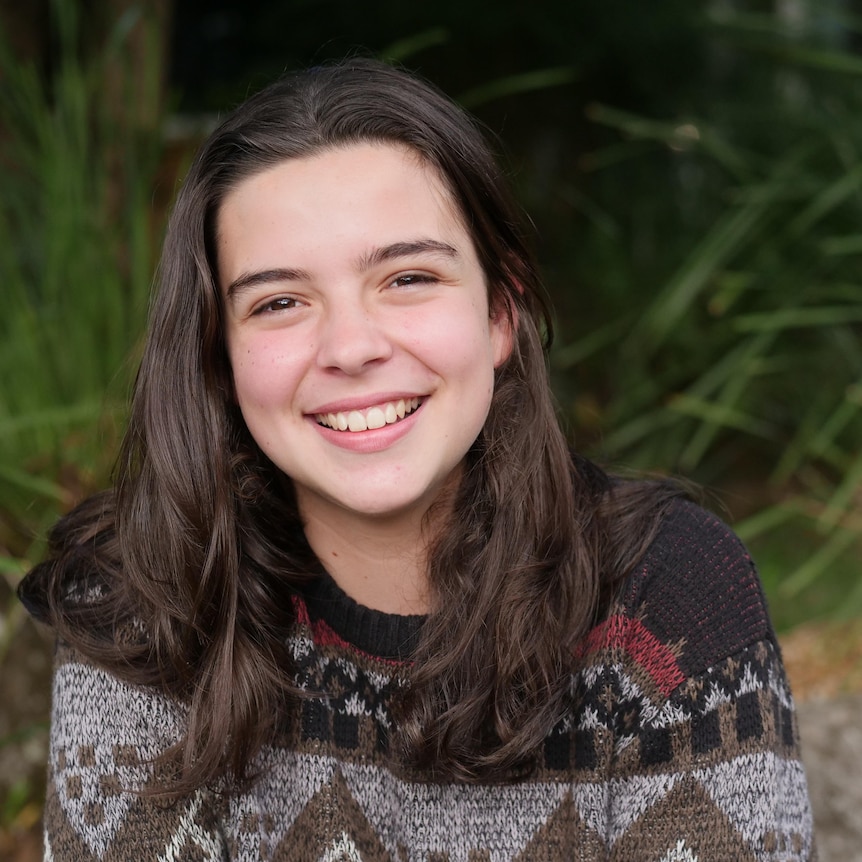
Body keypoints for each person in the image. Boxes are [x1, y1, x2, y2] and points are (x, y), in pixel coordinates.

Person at [19, 58, 816, 861]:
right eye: (280, 302)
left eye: (408, 277)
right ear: (219, 358)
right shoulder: (140, 602)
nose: (352, 348)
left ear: (501, 312)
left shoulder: (666, 598)